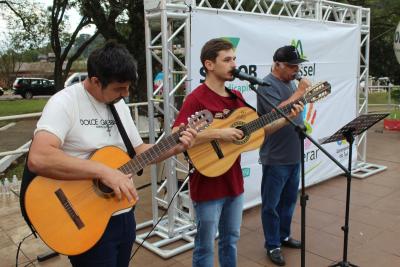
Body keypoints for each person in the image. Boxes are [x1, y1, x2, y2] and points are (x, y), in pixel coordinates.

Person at [26, 41, 196, 267]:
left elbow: (138, 153)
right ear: (95, 80)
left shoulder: (119, 104)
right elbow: (39, 157)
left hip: (121, 213)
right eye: (119, 88)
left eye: (127, 88)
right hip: (83, 219)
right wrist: (103, 171)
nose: (125, 94)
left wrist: (174, 147)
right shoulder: (65, 102)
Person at [172, 38, 303, 267]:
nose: (233, 64)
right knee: (204, 245)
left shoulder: (236, 97)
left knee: (230, 240)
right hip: (207, 182)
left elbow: (261, 128)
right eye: (227, 59)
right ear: (209, 65)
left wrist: (288, 117)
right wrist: (219, 134)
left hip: (233, 182)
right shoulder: (196, 98)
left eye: (234, 59)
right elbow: (177, 135)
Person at [257, 45, 311, 266]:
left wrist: (303, 93)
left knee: (289, 201)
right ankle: (272, 244)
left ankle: (284, 236)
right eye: (291, 66)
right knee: (271, 204)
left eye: (297, 65)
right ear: (277, 64)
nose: (295, 70)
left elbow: (296, 110)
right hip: (276, 157)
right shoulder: (267, 84)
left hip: (294, 154)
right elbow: (273, 115)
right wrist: (299, 92)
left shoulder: (292, 84)